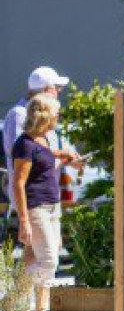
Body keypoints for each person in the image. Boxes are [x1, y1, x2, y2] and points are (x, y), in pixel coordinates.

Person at [12, 94, 79, 311]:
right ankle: (12, 298)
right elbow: (18, 184)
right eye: (56, 113)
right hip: (36, 208)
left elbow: (46, 154)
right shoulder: (24, 144)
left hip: (53, 206)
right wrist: (24, 221)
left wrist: (64, 154)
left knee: (35, 257)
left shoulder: (43, 139)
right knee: (49, 260)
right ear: (45, 116)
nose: (59, 116)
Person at [3, 66, 70, 212]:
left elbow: (45, 153)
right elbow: (22, 154)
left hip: (49, 196)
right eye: (57, 88)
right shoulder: (18, 114)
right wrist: (59, 154)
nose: (58, 93)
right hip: (31, 199)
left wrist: (66, 158)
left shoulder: (46, 115)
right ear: (48, 90)